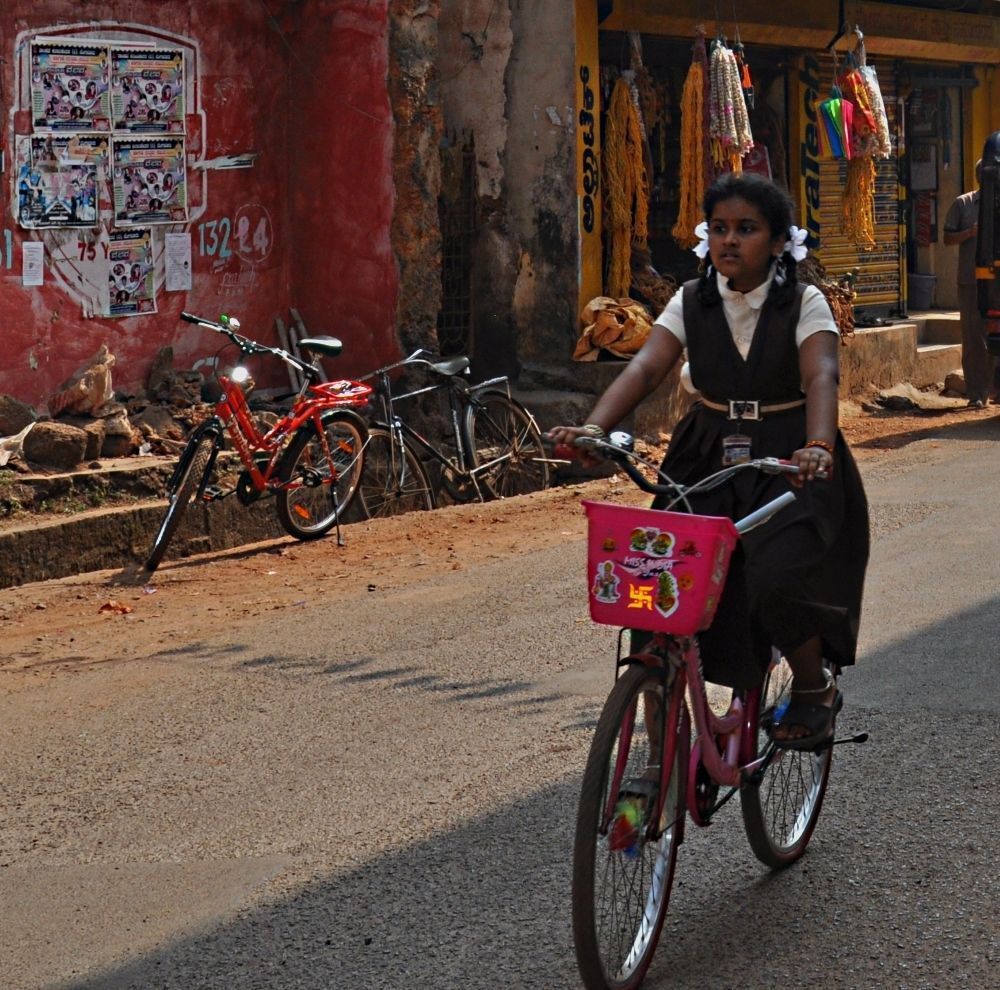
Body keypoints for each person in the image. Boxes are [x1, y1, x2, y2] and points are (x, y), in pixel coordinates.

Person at [549, 172, 870, 749]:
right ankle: (658, 732)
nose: (729, 240)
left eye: (746, 229)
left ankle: (811, 685)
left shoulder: (803, 300)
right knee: (653, 576)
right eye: (720, 228)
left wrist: (818, 445)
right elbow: (646, 368)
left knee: (776, 576)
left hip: (789, 454)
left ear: (777, 242)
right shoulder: (691, 300)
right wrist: (596, 427)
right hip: (705, 449)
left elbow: (821, 374)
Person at [943, 160, 994, 408]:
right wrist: (971, 232)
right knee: (973, 337)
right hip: (971, 281)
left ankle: (994, 390)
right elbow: (947, 238)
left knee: (993, 335)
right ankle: (976, 394)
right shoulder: (963, 203)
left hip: (996, 282)